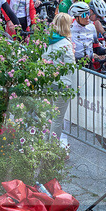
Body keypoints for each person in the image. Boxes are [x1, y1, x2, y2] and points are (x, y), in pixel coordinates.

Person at [43, 12, 76, 147]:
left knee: (48, 116)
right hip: (62, 85)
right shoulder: (65, 44)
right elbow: (71, 65)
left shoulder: (48, 40)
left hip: (47, 83)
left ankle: (44, 144)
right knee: (57, 119)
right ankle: (52, 148)